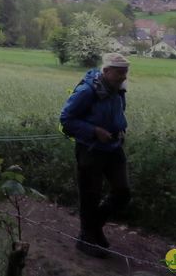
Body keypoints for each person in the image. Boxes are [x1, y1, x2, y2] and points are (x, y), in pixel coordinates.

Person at [59, 53, 131, 258]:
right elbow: (66, 119)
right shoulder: (87, 91)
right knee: (91, 195)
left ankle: (93, 227)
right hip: (90, 150)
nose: (123, 77)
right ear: (106, 71)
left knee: (122, 192)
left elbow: (117, 112)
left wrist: (119, 129)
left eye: (125, 73)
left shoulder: (118, 89)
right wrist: (94, 131)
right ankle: (86, 237)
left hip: (113, 148)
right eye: (119, 73)